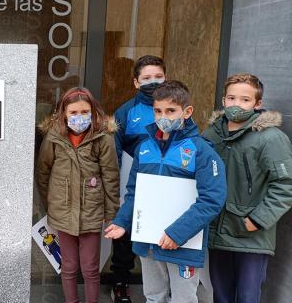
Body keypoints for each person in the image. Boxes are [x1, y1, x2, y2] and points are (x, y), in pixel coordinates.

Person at [105, 80, 227, 303]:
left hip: (183, 244)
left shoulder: (201, 151)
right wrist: (122, 221)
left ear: (187, 111)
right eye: (158, 111)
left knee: (183, 299)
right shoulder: (144, 148)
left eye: (171, 111)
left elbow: (212, 200)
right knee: (153, 296)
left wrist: (177, 234)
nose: (163, 117)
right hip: (149, 241)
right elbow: (135, 192)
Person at [203, 73, 292, 303]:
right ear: (223, 101)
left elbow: (285, 184)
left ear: (257, 104)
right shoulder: (211, 134)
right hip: (217, 230)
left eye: (245, 99)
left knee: (247, 296)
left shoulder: (270, 138)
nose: (236, 104)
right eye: (231, 98)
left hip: (250, 234)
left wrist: (257, 220)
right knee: (220, 295)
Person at [37, 87, 119, 303]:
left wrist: (111, 215)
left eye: (84, 112)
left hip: (91, 213)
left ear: (93, 111)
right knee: (69, 266)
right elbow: (43, 173)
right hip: (63, 213)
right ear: (64, 113)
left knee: (91, 268)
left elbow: (111, 178)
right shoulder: (54, 138)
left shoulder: (103, 138)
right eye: (73, 113)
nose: (79, 117)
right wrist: (51, 204)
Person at [111, 55, 166, 303]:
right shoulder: (125, 111)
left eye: (158, 76)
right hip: (131, 181)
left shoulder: (174, 108)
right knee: (126, 232)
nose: (153, 82)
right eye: (146, 78)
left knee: (160, 232)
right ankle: (120, 282)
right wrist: (117, 190)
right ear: (136, 82)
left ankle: (161, 288)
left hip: (165, 183)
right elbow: (114, 152)